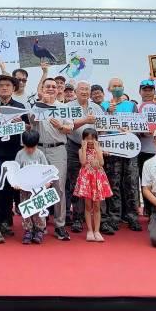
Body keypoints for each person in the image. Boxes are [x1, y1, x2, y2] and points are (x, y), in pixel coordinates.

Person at [0, 74, 29, 244]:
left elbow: (28, 128)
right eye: (1, 85)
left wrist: (22, 124)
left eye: (8, 85)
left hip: (14, 154)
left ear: (14, 88)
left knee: (9, 189)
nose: (4, 88)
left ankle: (5, 221)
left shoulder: (20, 107)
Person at [32, 78, 74, 241]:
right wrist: (42, 103)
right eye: (47, 86)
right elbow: (31, 121)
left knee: (58, 188)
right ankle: (39, 225)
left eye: (53, 87)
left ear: (59, 90)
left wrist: (60, 127)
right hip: (39, 150)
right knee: (38, 188)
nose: (50, 89)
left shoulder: (64, 108)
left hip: (58, 150)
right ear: (42, 89)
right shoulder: (36, 106)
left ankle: (60, 225)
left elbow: (69, 129)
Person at [99, 77, 142, 234]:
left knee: (131, 182)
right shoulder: (103, 105)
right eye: (114, 86)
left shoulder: (131, 105)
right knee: (114, 183)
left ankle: (132, 216)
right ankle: (114, 216)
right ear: (109, 88)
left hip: (130, 148)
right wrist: (108, 113)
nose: (117, 88)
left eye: (120, 85)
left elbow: (138, 125)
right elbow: (101, 128)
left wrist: (130, 131)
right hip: (112, 149)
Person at [65, 81, 104, 234]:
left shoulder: (96, 107)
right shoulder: (68, 107)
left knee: (94, 183)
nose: (85, 91)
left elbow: (103, 127)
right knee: (76, 183)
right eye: (82, 89)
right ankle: (77, 218)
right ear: (76, 91)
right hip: (74, 146)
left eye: (87, 89)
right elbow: (67, 127)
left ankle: (98, 220)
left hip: (93, 149)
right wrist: (85, 120)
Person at [74, 129, 113, 242]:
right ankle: (89, 230)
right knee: (87, 205)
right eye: (87, 138)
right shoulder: (81, 150)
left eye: (92, 138)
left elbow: (101, 163)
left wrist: (97, 149)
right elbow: (82, 162)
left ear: (96, 139)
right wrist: (84, 148)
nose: (90, 141)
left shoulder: (98, 150)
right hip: (86, 179)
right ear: (83, 139)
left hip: (97, 179)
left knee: (97, 206)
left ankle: (97, 231)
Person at [13, 130, 52, 244]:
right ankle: (28, 230)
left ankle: (39, 229)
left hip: (38, 189)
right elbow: (16, 171)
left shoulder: (40, 154)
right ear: (23, 144)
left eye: (33, 147)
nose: (30, 150)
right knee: (26, 209)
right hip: (25, 189)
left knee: (39, 208)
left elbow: (46, 170)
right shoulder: (20, 154)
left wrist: (48, 182)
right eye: (27, 147)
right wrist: (16, 183)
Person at [136, 79, 156, 216]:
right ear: (140, 92)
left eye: (150, 89)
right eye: (145, 89)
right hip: (142, 150)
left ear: (154, 91)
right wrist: (141, 131)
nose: (147, 92)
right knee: (145, 180)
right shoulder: (136, 108)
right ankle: (149, 209)